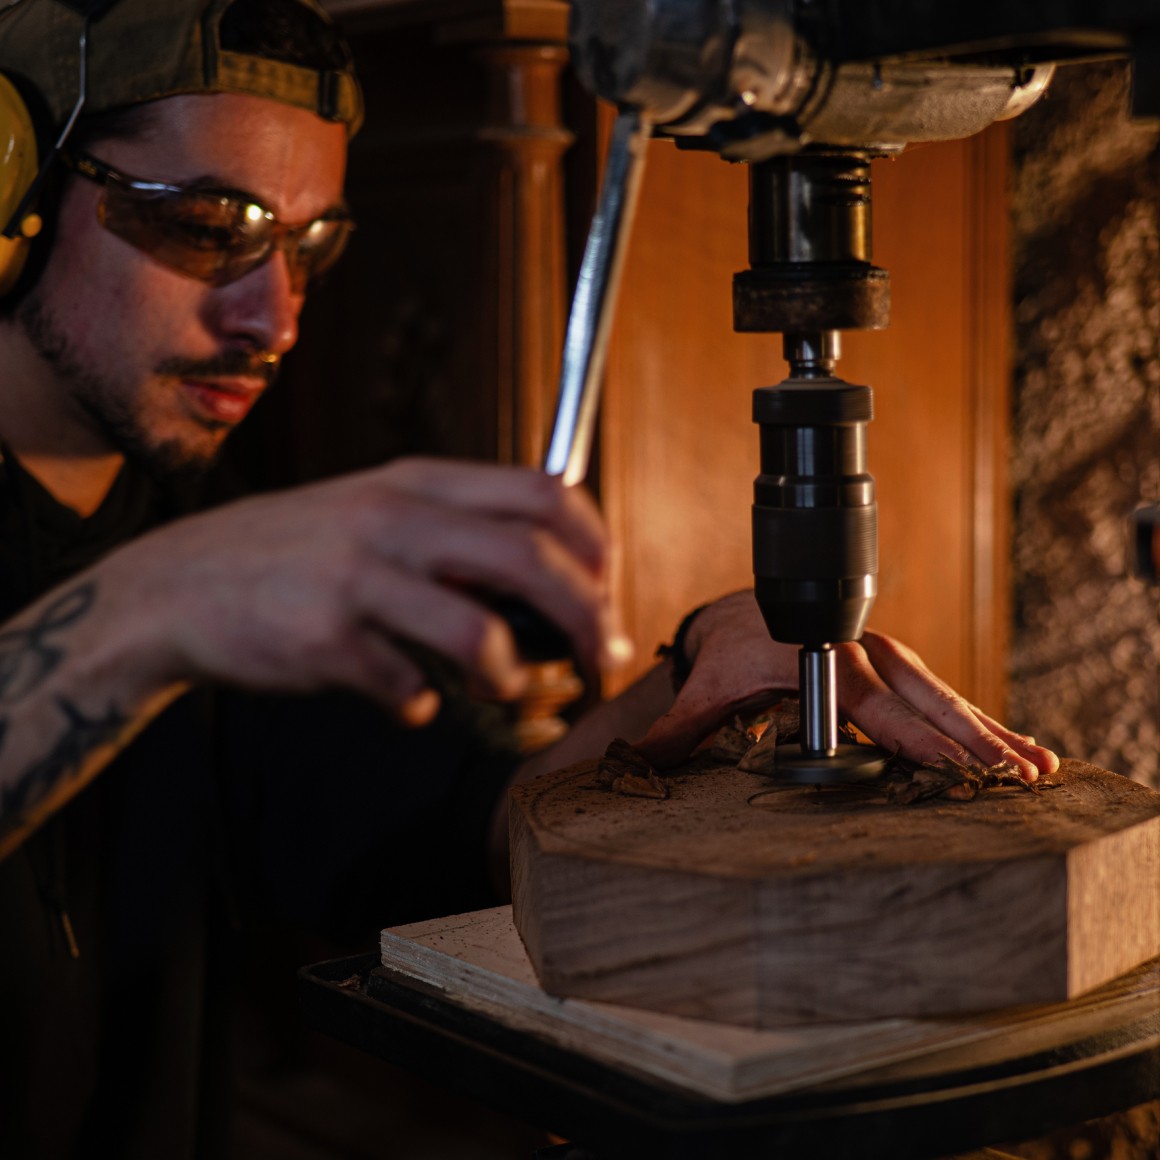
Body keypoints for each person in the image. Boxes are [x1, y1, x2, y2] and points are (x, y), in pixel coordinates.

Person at [0, 0, 1058, 1155]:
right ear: (15, 194)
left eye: (310, 245)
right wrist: (147, 611)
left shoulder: (202, 515)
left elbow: (462, 832)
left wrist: (692, 671)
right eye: (213, 226)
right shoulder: (206, 569)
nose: (278, 315)